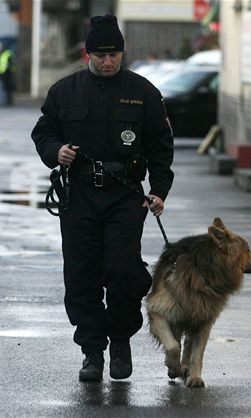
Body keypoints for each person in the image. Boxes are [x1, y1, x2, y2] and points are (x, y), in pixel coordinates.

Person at [31, 14, 175, 382]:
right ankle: (93, 351)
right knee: (82, 275)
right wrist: (56, 151)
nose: (108, 61)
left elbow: (161, 146)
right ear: (88, 54)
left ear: (122, 54)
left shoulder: (143, 92)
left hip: (125, 196)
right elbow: (43, 131)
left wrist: (158, 190)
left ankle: (120, 338)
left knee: (124, 270)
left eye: (114, 54)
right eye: (100, 54)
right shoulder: (66, 91)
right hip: (79, 196)